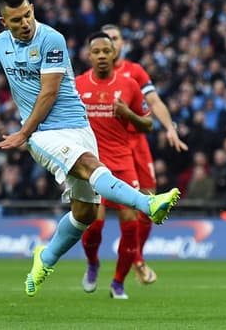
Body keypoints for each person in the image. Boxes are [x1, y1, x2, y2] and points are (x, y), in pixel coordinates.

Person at [0, 0, 181, 297]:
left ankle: (46, 257)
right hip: (42, 133)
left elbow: (50, 91)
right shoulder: (0, 45)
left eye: (28, 14)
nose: (25, 23)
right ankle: (149, 204)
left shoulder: (52, 38)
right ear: (4, 23)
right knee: (88, 166)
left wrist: (21, 133)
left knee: (83, 212)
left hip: (78, 127)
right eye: (16, 20)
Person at [80, 24, 188, 290]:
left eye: (115, 40)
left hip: (133, 147)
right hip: (101, 150)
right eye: (106, 42)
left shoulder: (134, 73)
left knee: (147, 204)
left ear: (122, 44)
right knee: (96, 221)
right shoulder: (83, 81)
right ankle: (130, 260)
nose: (111, 46)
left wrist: (170, 127)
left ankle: (134, 258)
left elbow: (154, 104)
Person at [76, 31, 154, 299]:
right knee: (94, 225)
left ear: (114, 54)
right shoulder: (76, 85)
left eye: (105, 51)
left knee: (131, 225)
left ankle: (118, 282)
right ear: (89, 55)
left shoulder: (130, 85)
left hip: (123, 164)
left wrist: (128, 114)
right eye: (95, 51)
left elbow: (148, 123)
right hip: (92, 165)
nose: (100, 56)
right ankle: (92, 263)